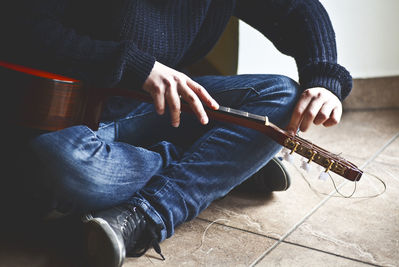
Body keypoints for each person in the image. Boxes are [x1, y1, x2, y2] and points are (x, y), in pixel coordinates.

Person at [1, 0, 352, 266]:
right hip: (70, 115)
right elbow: (19, 24)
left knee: (280, 95)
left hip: (155, 107)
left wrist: (326, 80)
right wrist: (135, 66)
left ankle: (149, 216)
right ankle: (223, 165)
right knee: (63, 168)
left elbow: (296, 10)